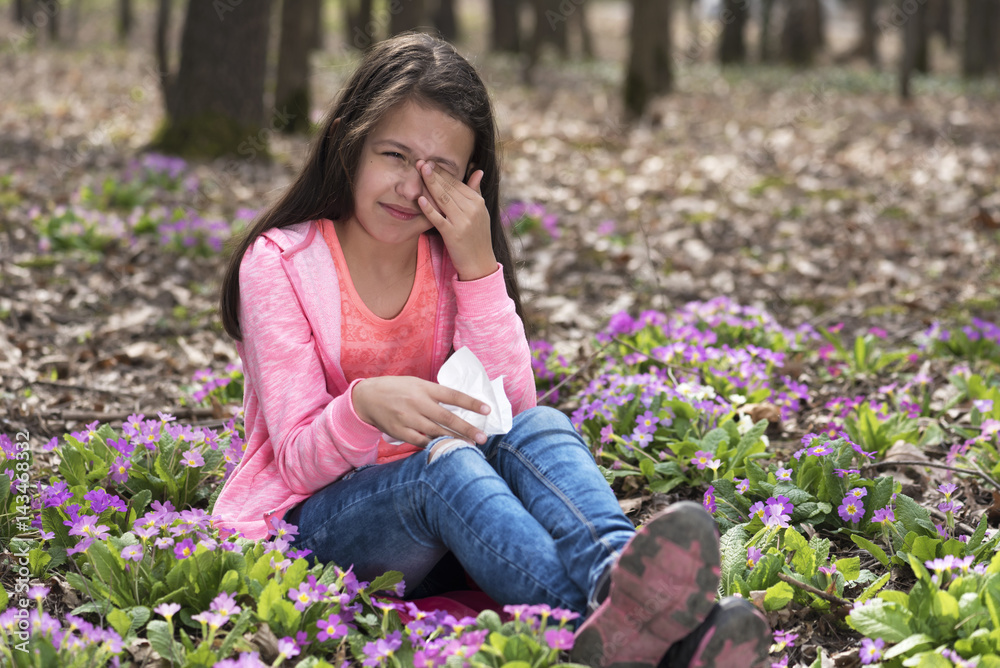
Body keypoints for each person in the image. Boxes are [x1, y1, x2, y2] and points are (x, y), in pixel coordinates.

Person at [214, 32, 770, 668]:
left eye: (441, 171)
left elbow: (508, 412)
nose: (410, 187)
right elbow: (295, 461)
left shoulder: (450, 258)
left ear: (471, 182)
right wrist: (363, 407)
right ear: (348, 139)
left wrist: (478, 264)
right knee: (444, 464)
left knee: (544, 426)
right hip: (322, 529)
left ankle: (615, 581)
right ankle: (630, 638)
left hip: (462, 527)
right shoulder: (281, 262)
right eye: (394, 154)